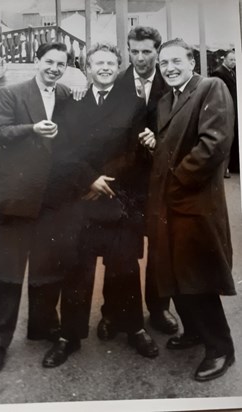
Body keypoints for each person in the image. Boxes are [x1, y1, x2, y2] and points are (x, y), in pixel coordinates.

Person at [41, 42, 159, 368]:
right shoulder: (71, 105)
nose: (105, 68)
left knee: (124, 268)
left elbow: (135, 153)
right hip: (82, 200)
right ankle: (70, 336)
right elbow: (63, 152)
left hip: (119, 200)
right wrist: (89, 179)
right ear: (87, 68)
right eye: (98, 63)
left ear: (118, 67)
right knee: (77, 272)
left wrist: (105, 180)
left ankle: (133, 327)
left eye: (110, 63)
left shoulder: (134, 104)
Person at [147, 38, 236, 381]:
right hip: (170, 205)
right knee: (176, 275)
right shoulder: (167, 99)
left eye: (175, 61)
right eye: (163, 63)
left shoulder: (210, 87)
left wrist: (176, 180)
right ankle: (195, 332)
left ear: (191, 62)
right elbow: (172, 143)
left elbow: (213, 144)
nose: (169, 68)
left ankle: (221, 349)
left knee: (197, 278)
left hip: (193, 203)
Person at [0, 42, 74, 374]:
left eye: (61, 63)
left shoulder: (67, 94)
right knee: (9, 272)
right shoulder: (11, 93)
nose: (54, 68)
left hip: (51, 198)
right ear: (37, 61)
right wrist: (32, 129)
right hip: (17, 194)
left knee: (45, 267)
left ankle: (43, 327)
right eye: (49, 61)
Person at [97, 26, 178, 342]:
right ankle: (112, 311)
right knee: (120, 251)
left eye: (147, 51)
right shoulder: (114, 83)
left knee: (160, 251)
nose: (141, 58)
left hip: (159, 183)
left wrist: (158, 141)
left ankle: (158, 310)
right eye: (134, 51)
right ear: (128, 51)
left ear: (157, 50)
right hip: (125, 184)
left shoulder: (171, 82)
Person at [212, 49, 239, 177]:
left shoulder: (232, 72)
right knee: (226, 138)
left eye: (235, 60)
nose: (233, 62)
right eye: (231, 60)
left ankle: (232, 166)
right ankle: (224, 170)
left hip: (233, 110)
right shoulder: (218, 73)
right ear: (224, 59)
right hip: (225, 111)